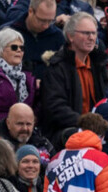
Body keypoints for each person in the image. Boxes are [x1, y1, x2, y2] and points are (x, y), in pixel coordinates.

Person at [39, 12, 103, 143]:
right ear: (70, 36)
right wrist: (86, 124)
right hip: (66, 133)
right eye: (86, 33)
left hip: (97, 130)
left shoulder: (99, 64)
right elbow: (55, 108)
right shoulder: (56, 67)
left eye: (94, 33)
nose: (91, 38)